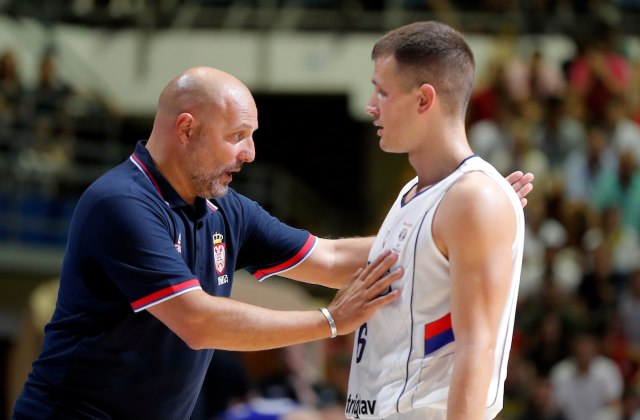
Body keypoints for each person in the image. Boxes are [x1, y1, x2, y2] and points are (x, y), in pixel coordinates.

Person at [12, 66, 532, 419]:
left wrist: (458, 222)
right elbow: (198, 321)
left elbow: (331, 258)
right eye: (237, 136)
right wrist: (330, 321)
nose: (251, 153)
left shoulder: (223, 207)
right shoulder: (120, 203)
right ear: (186, 129)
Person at [345, 21, 527, 419]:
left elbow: (475, 348)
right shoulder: (418, 192)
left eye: (382, 91)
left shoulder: (474, 198)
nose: (371, 105)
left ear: (424, 99)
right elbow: (343, 261)